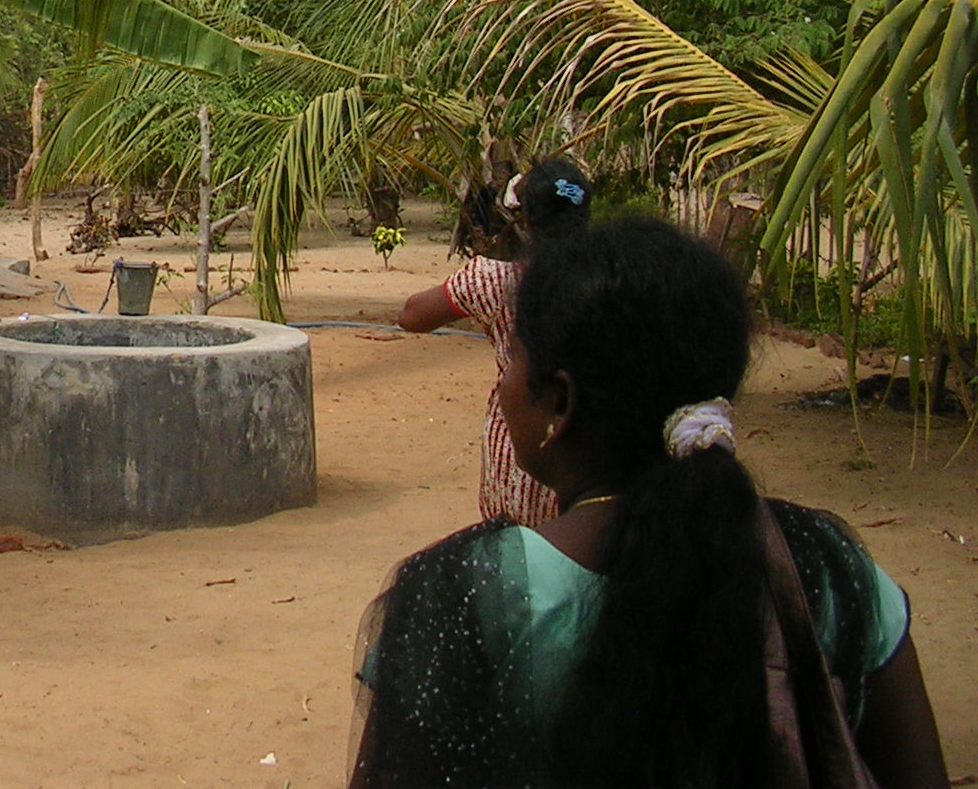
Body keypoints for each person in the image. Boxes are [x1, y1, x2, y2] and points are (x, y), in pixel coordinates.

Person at [351, 216, 950, 789]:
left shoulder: (467, 596)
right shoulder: (833, 571)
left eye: (516, 360)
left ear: (560, 401)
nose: (504, 384)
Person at [397, 158, 591, 525]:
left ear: (527, 219)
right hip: (592, 441)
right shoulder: (614, 279)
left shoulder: (495, 280)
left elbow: (412, 315)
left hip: (517, 444)